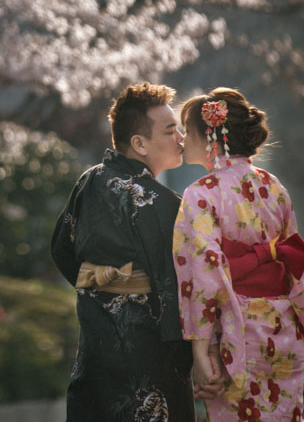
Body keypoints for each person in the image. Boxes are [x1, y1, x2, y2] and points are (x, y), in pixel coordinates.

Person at [51, 82, 209, 421]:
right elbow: (174, 286)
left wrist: (98, 289)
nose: (181, 137)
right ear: (139, 143)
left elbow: (62, 248)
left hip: (96, 343)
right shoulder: (164, 204)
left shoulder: (88, 182)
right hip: (147, 350)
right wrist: (191, 357)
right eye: (170, 130)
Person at [173, 87, 304, 421]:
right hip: (283, 328)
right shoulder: (274, 186)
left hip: (236, 333)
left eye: (187, 130)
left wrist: (200, 352)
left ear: (211, 135)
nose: (182, 140)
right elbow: (294, 262)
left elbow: (201, 275)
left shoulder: (201, 194)